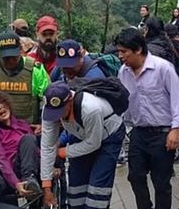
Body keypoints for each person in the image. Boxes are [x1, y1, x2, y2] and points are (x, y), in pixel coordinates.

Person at [116, 28, 179, 209]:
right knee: (135, 176)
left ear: (138, 49)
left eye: (124, 51)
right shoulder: (123, 72)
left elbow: (178, 99)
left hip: (163, 133)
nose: (120, 56)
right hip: (139, 132)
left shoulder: (163, 68)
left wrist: (176, 129)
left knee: (161, 182)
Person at [40, 81, 126, 209]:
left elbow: (93, 144)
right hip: (80, 132)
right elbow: (47, 147)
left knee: (97, 189)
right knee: (76, 188)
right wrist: (46, 187)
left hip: (109, 136)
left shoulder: (90, 108)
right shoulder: (49, 112)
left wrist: (62, 152)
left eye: (60, 112)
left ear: (70, 100)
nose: (56, 117)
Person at [0, 91, 41, 209]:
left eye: (1, 102)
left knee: (29, 139)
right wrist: (16, 183)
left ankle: (29, 181)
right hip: (3, 173)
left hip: (25, 168)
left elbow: (35, 152)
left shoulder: (22, 125)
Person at [0, 31, 50, 125]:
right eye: (6, 58)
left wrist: (42, 125)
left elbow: (47, 101)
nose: (10, 61)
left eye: (14, 57)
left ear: (21, 50)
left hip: (29, 128)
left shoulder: (36, 70)